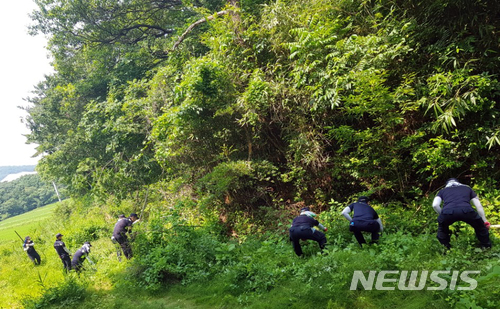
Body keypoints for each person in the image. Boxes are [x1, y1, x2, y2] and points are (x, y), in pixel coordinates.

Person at [432, 178, 491, 249]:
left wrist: (443, 215)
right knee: (480, 226)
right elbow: (478, 206)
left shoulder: (442, 191)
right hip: (466, 210)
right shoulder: (467, 188)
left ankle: (446, 249)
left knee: (442, 229)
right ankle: (486, 247)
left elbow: (435, 205)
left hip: (447, 211)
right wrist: (484, 221)